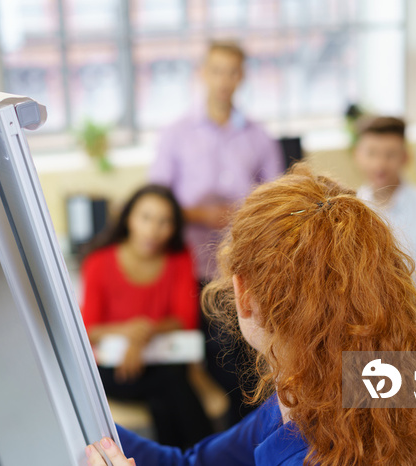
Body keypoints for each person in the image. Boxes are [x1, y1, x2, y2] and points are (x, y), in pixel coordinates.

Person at [85, 164, 416, 465]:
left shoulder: (301, 443)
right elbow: (190, 462)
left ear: (242, 294)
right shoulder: (308, 394)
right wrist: (84, 421)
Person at [149, 40, 284, 425]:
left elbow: (277, 200)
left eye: (232, 71)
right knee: (223, 369)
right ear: (202, 74)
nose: (224, 80)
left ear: (242, 77)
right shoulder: (175, 134)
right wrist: (197, 212)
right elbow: (156, 200)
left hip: (246, 271)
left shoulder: (258, 135)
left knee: (251, 367)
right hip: (193, 270)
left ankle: (249, 440)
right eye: (216, 70)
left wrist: (241, 216)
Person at [80, 184, 213, 449]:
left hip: (159, 357)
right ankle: (204, 454)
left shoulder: (180, 257)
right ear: (128, 218)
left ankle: (184, 457)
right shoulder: (98, 262)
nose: (153, 229)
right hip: (113, 365)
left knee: (165, 391)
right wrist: (129, 333)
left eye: (164, 221)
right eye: (146, 218)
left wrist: (143, 335)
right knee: (172, 385)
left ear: (174, 228)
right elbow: (87, 328)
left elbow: (185, 319)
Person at [353, 116, 416, 324]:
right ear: (358, 156)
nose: (380, 164)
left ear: (405, 158)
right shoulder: (349, 214)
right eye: (371, 153)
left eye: (390, 155)